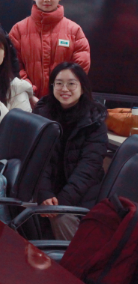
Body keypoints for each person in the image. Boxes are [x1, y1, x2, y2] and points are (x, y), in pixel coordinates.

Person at [34, 62, 107, 241]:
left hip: (80, 195)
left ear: (82, 87)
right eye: (59, 83)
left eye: (71, 84)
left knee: (61, 219)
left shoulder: (94, 120)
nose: (64, 89)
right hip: (46, 191)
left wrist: (62, 202)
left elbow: (88, 169)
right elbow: (37, 158)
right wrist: (44, 193)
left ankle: (74, 258)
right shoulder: (42, 114)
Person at [10, 0, 91, 98]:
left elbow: (81, 67)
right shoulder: (18, 30)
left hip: (63, 100)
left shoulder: (74, 30)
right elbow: (13, 65)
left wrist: (62, 91)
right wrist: (29, 91)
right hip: (27, 99)